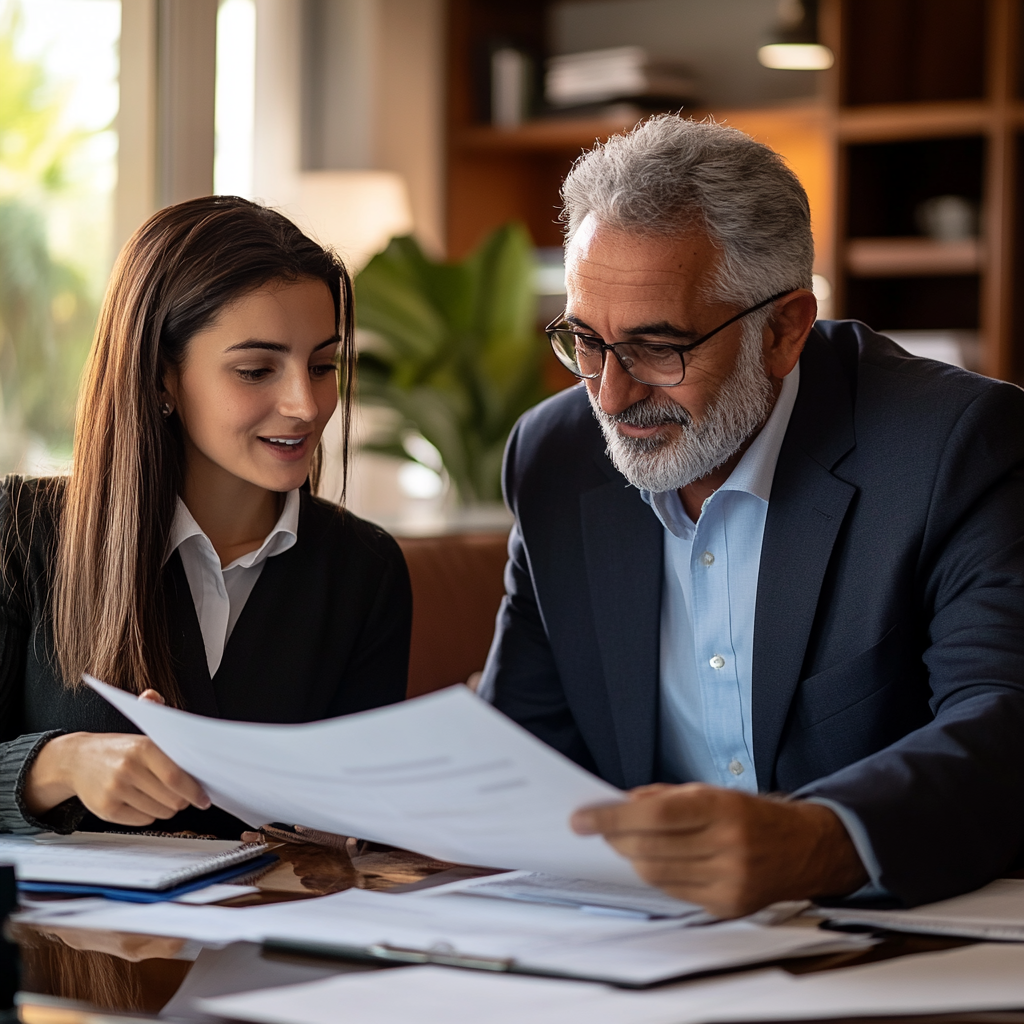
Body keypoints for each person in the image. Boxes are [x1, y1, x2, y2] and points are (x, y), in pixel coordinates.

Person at [479, 116, 1024, 917]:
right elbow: (522, 746)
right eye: (585, 342)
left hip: (894, 930)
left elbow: (1003, 724)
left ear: (785, 329)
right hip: (638, 939)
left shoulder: (953, 446)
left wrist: (817, 841)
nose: (610, 393)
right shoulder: (553, 457)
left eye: (659, 349)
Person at [0, 196, 412, 839]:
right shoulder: (22, 530)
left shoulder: (365, 570)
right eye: (255, 370)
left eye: (324, 366)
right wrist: (58, 766)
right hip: (60, 940)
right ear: (163, 376)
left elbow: (365, 830)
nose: (305, 404)